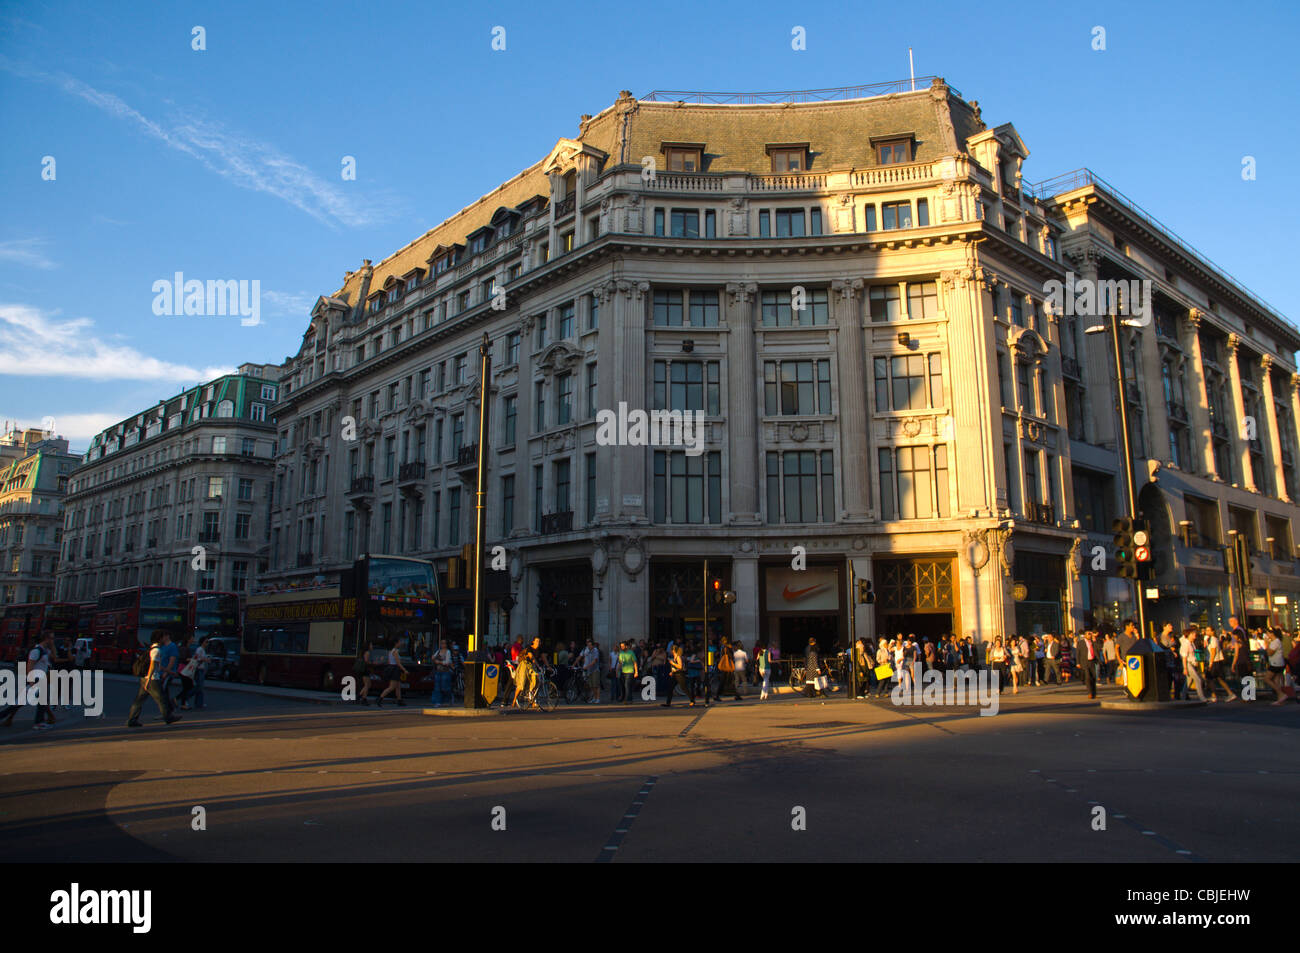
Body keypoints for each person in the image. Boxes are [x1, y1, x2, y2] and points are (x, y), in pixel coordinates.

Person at [126, 631, 181, 727]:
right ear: (160, 638)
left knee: (139, 700)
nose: (165, 639)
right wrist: (149, 680)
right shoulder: (156, 650)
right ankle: (168, 717)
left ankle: (132, 720)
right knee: (161, 699)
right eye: (164, 637)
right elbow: (152, 665)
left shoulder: (152, 648)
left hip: (146, 678)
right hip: (152, 679)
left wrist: (168, 672)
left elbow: (157, 666)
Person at [1203, 626, 1236, 702]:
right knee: (1219, 678)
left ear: (1212, 631)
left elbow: (1213, 651)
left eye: (1208, 630)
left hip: (1215, 661)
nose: (1206, 632)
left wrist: (1210, 663)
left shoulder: (1213, 639)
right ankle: (1230, 693)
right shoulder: (1209, 639)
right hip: (1216, 661)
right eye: (1206, 630)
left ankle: (1214, 695)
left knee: (1209, 678)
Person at [1180, 628, 1209, 702]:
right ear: (1188, 635)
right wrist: (1185, 668)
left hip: (1191, 663)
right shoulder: (1186, 644)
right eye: (1192, 634)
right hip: (1188, 664)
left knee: (1188, 682)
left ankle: (1183, 697)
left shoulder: (1191, 643)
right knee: (1198, 679)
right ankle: (1202, 698)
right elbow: (1184, 657)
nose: (1194, 635)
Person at [377, 641, 408, 707]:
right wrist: (404, 670)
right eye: (399, 642)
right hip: (395, 669)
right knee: (392, 687)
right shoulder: (395, 652)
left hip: (391, 668)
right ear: (396, 643)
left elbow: (389, 661)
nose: (400, 643)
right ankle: (380, 698)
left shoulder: (390, 651)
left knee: (398, 686)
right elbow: (398, 663)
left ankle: (399, 700)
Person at [1262, 628, 1288, 702]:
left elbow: (1270, 653)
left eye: (1268, 633)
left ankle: (1281, 694)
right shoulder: (1276, 641)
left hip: (1275, 664)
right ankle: (1280, 698)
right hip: (1278, 663)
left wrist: (1266, 644)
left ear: (1272, 634)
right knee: (1276, 680)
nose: (1267, 635)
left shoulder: (1275, 642)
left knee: (1267, 679)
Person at [1075, 630, 1101, 699]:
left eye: (1090, 634)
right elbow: (1078, 653)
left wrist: (1094, 640)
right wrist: (1078, 663)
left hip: (1092, 661)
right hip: (1084, 662)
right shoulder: (1081, 643)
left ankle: (1094, 693)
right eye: (1088, 634)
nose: (1090, 635)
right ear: (1085, 635)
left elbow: (1099, 648)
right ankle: (1089, 693)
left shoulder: (1093, 642)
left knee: (1093, 677)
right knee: (1088, 678)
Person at [432, 638, 454, 706]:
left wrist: (439, 662)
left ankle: (449, 699)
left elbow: (447, 662)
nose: (442, 645)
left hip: (445, 671)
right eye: (441, 643)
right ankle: (438, 701)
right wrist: (434, 658)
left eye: (444, 643)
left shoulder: (448, 652)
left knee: (445, 687)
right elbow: (433, 657)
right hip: (438, 671)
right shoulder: (438, 651)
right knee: (437, 687)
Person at [580, 639, 601, 703]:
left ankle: (598, 698)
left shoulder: (595, 651)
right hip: (589, 671)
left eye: (590, 645)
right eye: (588, 645)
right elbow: (583, 658)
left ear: (593, 645)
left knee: (596, 685)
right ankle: (594, 698)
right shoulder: (586, 650)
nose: (589, 646)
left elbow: (595, 661)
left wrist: (587, 666)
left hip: (595, 670)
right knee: (591, 686)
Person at [618, 640, 639, 704]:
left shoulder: (631, 653)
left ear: (626, 646)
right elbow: (620, 663)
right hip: (623, 671)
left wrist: (636, 672)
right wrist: (618, 671)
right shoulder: (621, 653)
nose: (621, 647)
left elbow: (635, 662)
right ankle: (625, 697)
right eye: (621, 646)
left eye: (623, 646)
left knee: (627, 685)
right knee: (623, 686)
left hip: (630, 671)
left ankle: (628, 699)